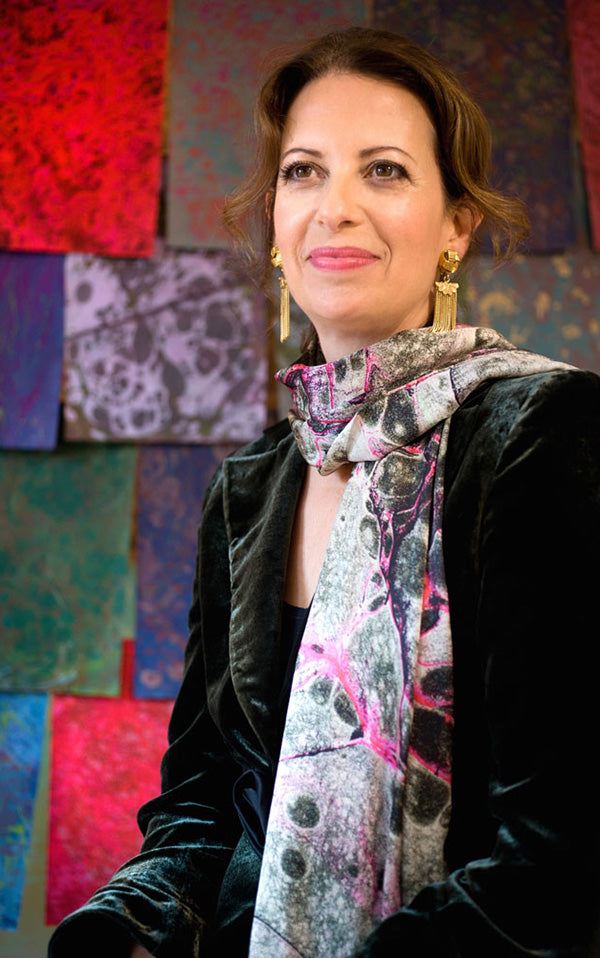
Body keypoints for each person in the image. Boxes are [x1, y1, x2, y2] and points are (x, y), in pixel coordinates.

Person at [48, 26, 600, 958]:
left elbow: (564, 853)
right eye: (304, 172)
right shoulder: (248, 489)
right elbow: (203, 807)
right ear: (275, 221)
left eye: (383, 170)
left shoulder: (541, 431)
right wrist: (125, 931)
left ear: (457, 227)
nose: (335, 207)